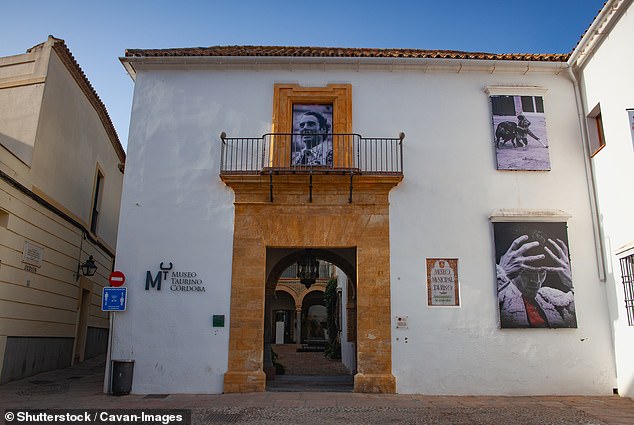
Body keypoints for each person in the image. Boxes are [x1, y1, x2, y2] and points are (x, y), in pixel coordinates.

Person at [497, 232, 576, 328]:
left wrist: (571, 281)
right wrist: (502, 272)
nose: (536, 281)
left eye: (542, 272)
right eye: (527, 272)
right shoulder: (501, 293)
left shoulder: (549, 297)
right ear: (514, 268)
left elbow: (585, 315)